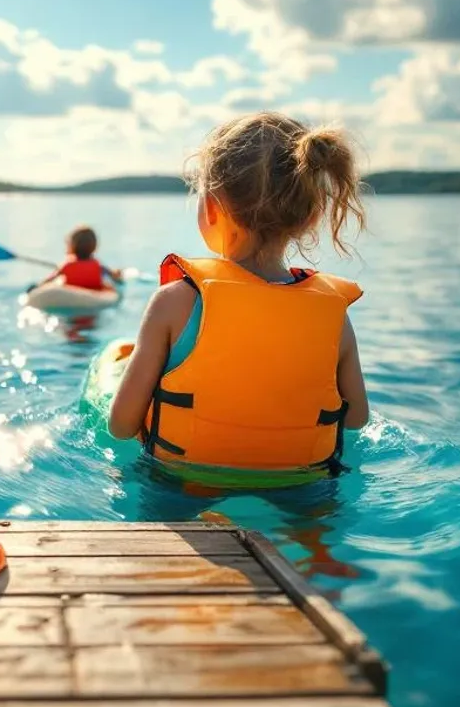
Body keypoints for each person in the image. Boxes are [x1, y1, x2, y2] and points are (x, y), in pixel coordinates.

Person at [108, 112, 368, 475]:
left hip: (181, 487)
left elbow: (121, 426)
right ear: (310, 217)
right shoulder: (334, 314)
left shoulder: (174, 303)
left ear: (212, 209)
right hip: (301, 491)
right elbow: (355, 419)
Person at [32, 226, 123, 292]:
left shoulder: (66, 266)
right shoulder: (99, 267)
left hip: (70, 294)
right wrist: (118, 275)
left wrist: (36, 286)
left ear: (71, 247)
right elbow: (114, 277)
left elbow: (50, 279)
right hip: (94, 295)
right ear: (94, 247)